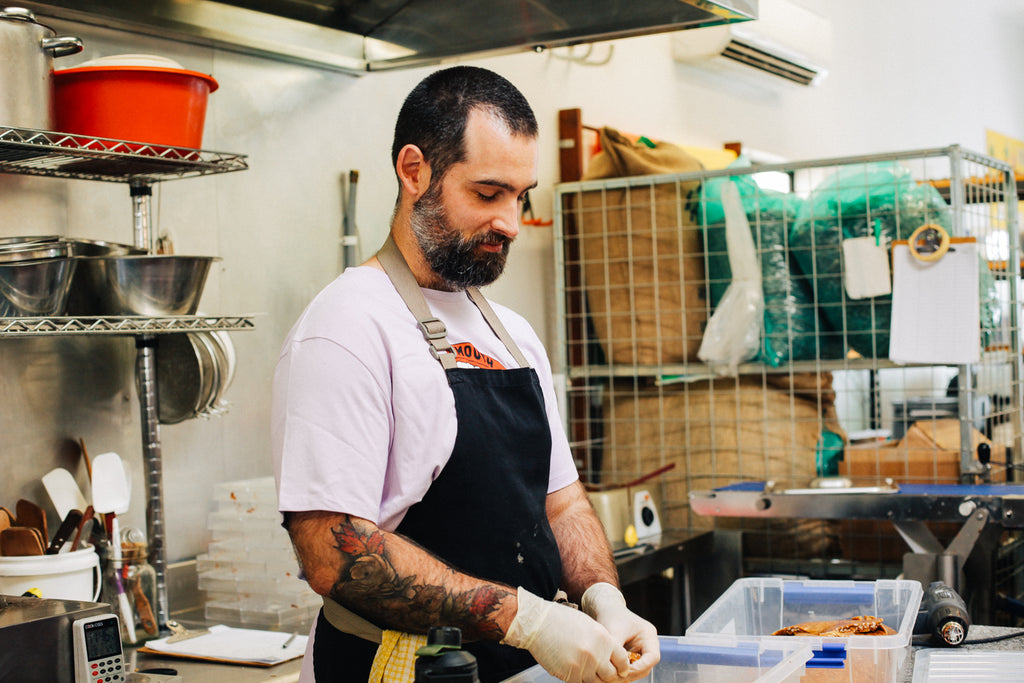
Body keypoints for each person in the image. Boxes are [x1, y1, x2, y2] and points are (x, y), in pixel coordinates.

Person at [272, 65, 660, 683]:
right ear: (414, 170)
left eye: (521, 196)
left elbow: (561, 505)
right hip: (399, 666)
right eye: (488, 193)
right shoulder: (347, 327)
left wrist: (601, 600)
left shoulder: (513, 335)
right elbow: (331, 550)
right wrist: (528, 621)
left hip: (522, 668)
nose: (510, 221)